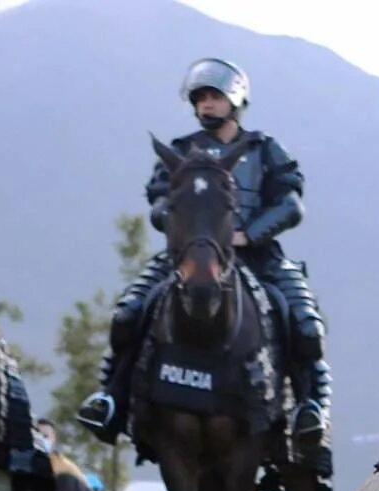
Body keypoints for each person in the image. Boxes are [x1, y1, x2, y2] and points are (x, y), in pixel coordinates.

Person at [77, 57, 331, 469]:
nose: (207, 105)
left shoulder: (265, 149)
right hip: (190, 258)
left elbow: (290, 203)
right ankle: (110, 399)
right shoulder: (180, 151)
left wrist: (249, 234)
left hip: (259, 256)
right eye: (201, 99)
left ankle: (310, 409)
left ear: (234, 100)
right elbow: (159, 202)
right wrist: (184, 226)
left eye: (214, 97)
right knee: (128, 314)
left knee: (304, 323)